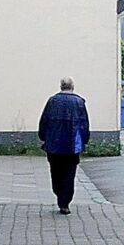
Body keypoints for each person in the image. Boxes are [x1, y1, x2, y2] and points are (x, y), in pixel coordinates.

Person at [38, 78, 90, 215]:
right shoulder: (79, 102)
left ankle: (59, 194)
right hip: (72, 145)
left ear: (61, 86)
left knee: (55, 172)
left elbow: (44, 121)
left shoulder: (52, 101)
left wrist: (43, 137)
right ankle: (65, 202)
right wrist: (84, 140)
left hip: (53, 145)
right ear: (72, 86)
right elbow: (84, 124)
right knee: (69, 174)